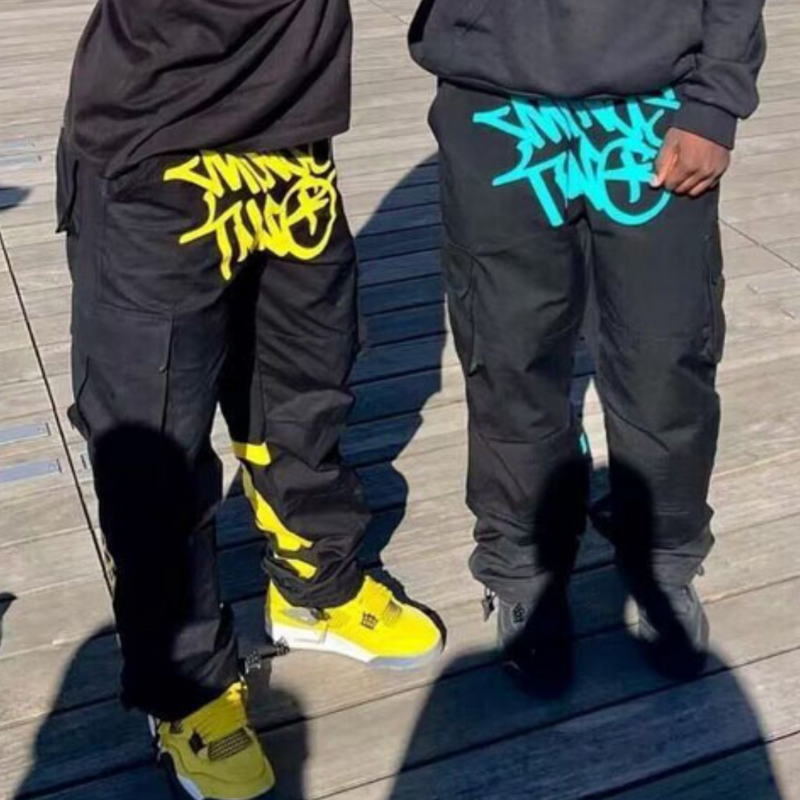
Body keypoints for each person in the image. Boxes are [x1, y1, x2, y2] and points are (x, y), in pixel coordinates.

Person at [56, 2, 442, 798]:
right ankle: (187, 685)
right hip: (154, 146)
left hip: (292, 144)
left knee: (307, 386)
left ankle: (315, 588)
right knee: (154, 440)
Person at [409, 0, 766, 686]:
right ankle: (523, 567)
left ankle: (663, 557)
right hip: (494, 100)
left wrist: (716, 100)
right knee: (508, 357)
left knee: (667, 356)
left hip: (659, 107)